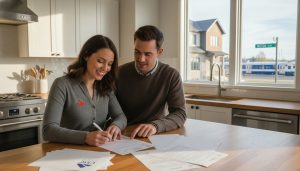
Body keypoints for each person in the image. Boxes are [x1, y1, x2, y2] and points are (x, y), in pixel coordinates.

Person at [43, 35, 127, 146]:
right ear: (86, 55)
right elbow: (48, 130)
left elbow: (120, 116)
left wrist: (116, 126)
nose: (105, 68)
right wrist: (85, 137)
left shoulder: (106, 87)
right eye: (100, 61)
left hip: (97, 153)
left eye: (110, 64)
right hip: (64, 153)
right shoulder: (62, 85)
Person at [116, 25, 186, 138]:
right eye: (137, 52)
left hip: (155, 134)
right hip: (124, 135)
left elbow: (180, 113)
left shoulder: (171, 75)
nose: (141, 59)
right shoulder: (119, 73)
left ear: (159, 52)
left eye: (147, 54)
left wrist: (155, 126)